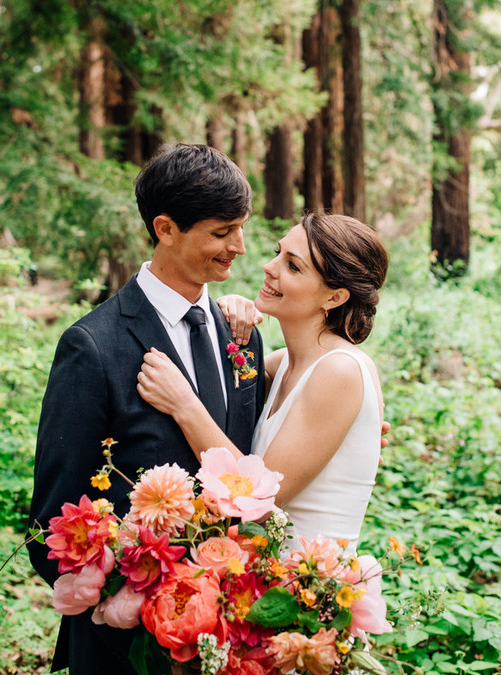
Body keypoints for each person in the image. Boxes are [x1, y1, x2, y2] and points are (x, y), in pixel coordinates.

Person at [27, 144, 266, 675]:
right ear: (165, 229)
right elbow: (52, 522)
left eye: (241, 228)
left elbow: (253, 457)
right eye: (222, 231)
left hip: (234, 634)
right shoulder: (92, 346)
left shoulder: (241, 333)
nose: (240, 247)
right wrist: (128, 605)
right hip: (127, 650)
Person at [137, 211, 389, 552]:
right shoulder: (285, 363)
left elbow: (257, 499)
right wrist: (223, 312)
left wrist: (184, 405)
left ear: (334, 297)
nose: (269, 268)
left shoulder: (339, 371)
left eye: (293, 266)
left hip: (309, 587)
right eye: (278, 253)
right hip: (263, 581)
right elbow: (233, 378)